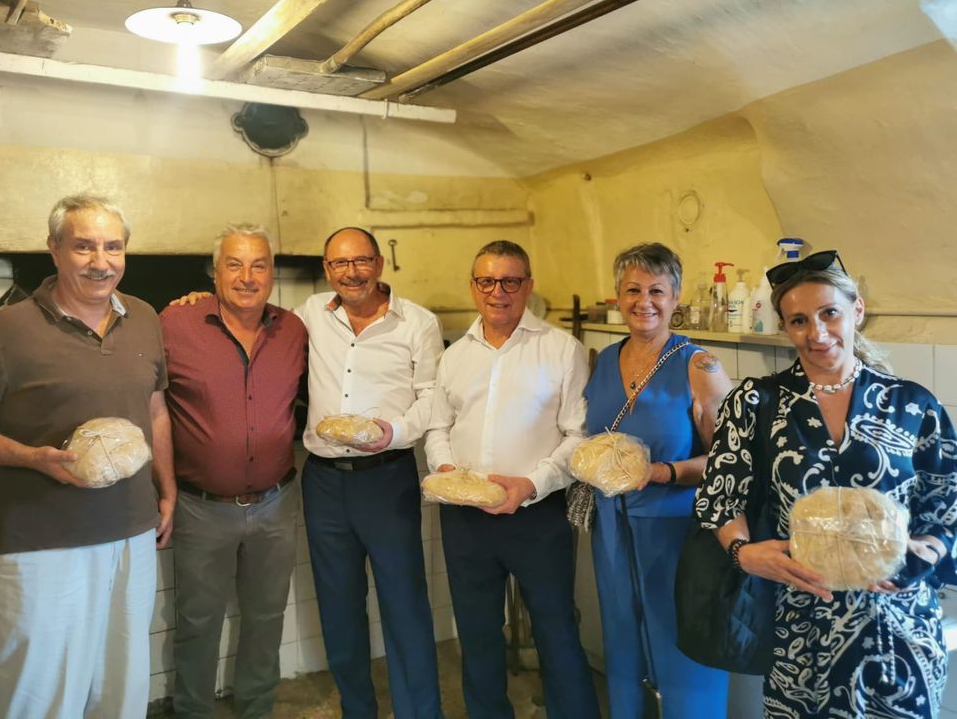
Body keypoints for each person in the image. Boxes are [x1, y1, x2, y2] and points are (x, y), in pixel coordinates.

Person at [0, 194, 175, 718]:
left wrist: (167, 488)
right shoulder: (6, 331)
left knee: (122, 686)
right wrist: (31, 457)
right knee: (40, 696)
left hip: (131, 534)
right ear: (54, 249)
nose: (101, 262)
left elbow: (155, 409)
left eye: (113, 247)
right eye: (84, 246)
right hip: (42, 544)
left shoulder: (143, 317)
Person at [695, 250, 956, 717]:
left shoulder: (911, 404)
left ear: (857, 311)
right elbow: (719, 498)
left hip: (898, 628)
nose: (816, 333)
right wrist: (743, 552)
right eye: (799, 320)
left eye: (829, 313)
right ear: (785, 326)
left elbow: (948, 500)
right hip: (802, 632)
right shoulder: (755, 402)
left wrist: (930, 551)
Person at [425, 239, 601, 719]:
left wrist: (532, 484)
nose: (497, 292)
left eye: (509, 281)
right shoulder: (455, 356)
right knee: (477, 633)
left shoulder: (561, 350)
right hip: (465, 517)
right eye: (487, 281)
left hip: (537, 516)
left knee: (556, 630)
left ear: (528, 286)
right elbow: (438, 427)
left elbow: (578, 435)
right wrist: (445, 470)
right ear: (473, 286)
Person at [298, 226, 445, 719]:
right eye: (340, 263)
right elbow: (250, 319)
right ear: (327, 269)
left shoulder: (417, 322)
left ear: (380, 264)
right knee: (338, 607)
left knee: (404, 604)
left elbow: (432, 398)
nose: (352, 272)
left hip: (386, 478)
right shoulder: (309, 314)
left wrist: (394, 432)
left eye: (361, 261)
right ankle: (357, 710)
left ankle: (419, 712)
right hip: (324, 481)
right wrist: (196, 299)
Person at [161, 225, 306, 718]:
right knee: (198, 622)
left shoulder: (293, 330)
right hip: (201, 507)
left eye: (259, 265)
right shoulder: (175, 323)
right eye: (235, 265)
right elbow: (150, 402)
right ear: (215, 272)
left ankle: (257, 709)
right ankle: (193, 711)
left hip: (276, 502)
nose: (247, 277)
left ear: (271, 272)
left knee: (267, 617)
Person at [583, 242, 733, 718]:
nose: (643, 301)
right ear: (617, 295)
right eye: (632, 290)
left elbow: (732, 461)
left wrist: (663, 472)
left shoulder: (698, 365)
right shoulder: (604, 361)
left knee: (680, 644)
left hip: (676, 531)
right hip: (612, 528)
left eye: (656, 290)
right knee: (622, 641)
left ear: (675, 297)